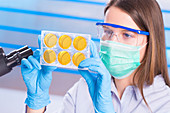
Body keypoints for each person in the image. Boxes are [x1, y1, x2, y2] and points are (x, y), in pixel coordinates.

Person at [21, 0, 170, 113]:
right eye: (108, 31)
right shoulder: (82, 90)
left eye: (127, 35)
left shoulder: (165, 103)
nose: (112, 42)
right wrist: (36, 104)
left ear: (151, 41)